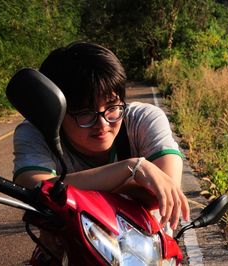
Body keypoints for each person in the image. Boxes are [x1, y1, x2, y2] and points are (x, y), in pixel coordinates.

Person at [12, 41, 190, 263]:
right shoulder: (36, 132)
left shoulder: (143, 120)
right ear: (55, 112)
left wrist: (65, 190)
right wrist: (131, 169)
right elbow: (36, 188)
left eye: (113, 106)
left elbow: (162, 196)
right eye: (85, 113)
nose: (103, 123)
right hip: (72, 252)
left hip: (146, 251)